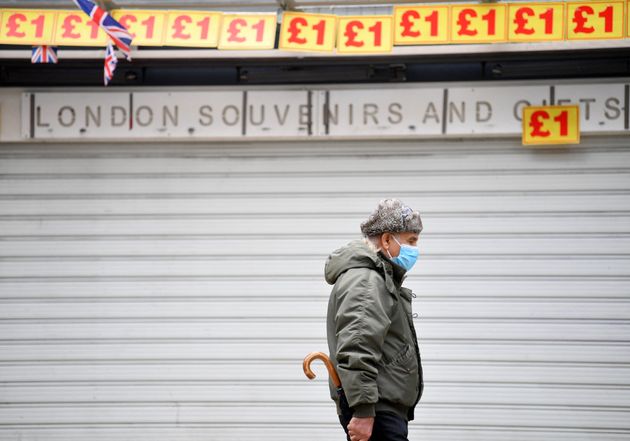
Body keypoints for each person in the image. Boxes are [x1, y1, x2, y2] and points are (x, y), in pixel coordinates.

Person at [325, 199, 424, 441]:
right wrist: (363, 411)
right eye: (411, 241)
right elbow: (358, 345)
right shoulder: (367, 281)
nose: (415, 249)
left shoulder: (376, 277)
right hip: (377, 412)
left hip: (381, 409)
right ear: (387, 240)